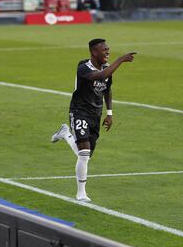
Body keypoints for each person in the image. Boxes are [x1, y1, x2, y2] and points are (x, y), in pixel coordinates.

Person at [51, 38, 136, 202]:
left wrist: (109, 113)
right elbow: (102, 75)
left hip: (95, 115)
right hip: (79, 111)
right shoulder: (83, 68)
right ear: (94, 52)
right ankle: (81, 193)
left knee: (86, 156)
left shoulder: (107, 69)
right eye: (104, 50)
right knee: (84, 154)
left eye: (108, 49)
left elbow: (107, 90)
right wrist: (121, 59)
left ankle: (65, 134)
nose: (108, 52)